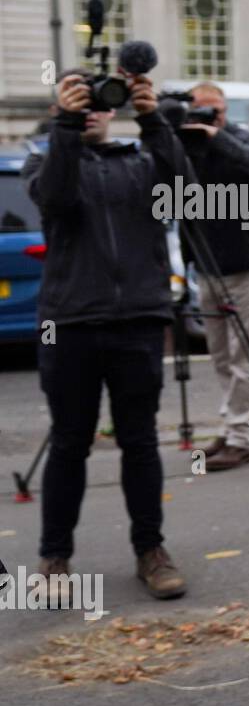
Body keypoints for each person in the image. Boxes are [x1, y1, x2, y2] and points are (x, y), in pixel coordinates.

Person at [21, 67, 192, 600]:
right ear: (61, 106)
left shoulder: (141, 164)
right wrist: (66, 127)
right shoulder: (44, 158)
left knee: (139, 441)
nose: (93, 106)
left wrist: (153, 118)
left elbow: (183, 194)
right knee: (71, 442)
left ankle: (151, 551)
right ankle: (54, 559)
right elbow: (55, 198)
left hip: (139, 320)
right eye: (80, 99)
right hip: (70, 323)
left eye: (100, 99)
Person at [178, 81, 249, 471]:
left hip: (246, 264)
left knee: (244, 356)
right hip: (206, 266)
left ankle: (243, 437)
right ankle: (232, 424)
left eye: (214, 110)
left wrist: (217, 136)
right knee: (219, 355)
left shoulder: (241, 140)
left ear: (225, 110)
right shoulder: (186, 146)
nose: (207, 117)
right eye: (199, 110)